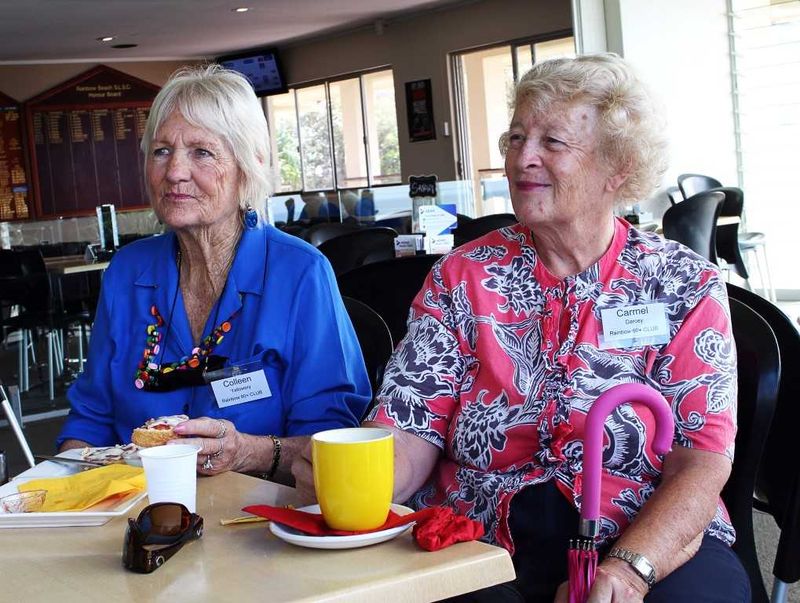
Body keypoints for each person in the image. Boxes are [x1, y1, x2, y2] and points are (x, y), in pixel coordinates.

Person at [293, 54, 749, 602]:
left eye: (552, 143)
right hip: (482, 531)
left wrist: (628, 570)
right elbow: (413, 426)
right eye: (515, 138)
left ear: (617, 167)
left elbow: (700, 459)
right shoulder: (463, 277)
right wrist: (358, 488)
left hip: (642, 530)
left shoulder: (682, 283)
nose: (521, 158)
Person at [57, 65, 371, 484]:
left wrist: (246, 451)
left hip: (259, 518)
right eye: (161, 151)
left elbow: (333, 439)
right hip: (137, 510)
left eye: (201, 152)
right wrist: (68, 489)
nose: (175, 172)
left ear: (248, 167)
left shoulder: (299, 273)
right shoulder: (127, 273)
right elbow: (89, 421)